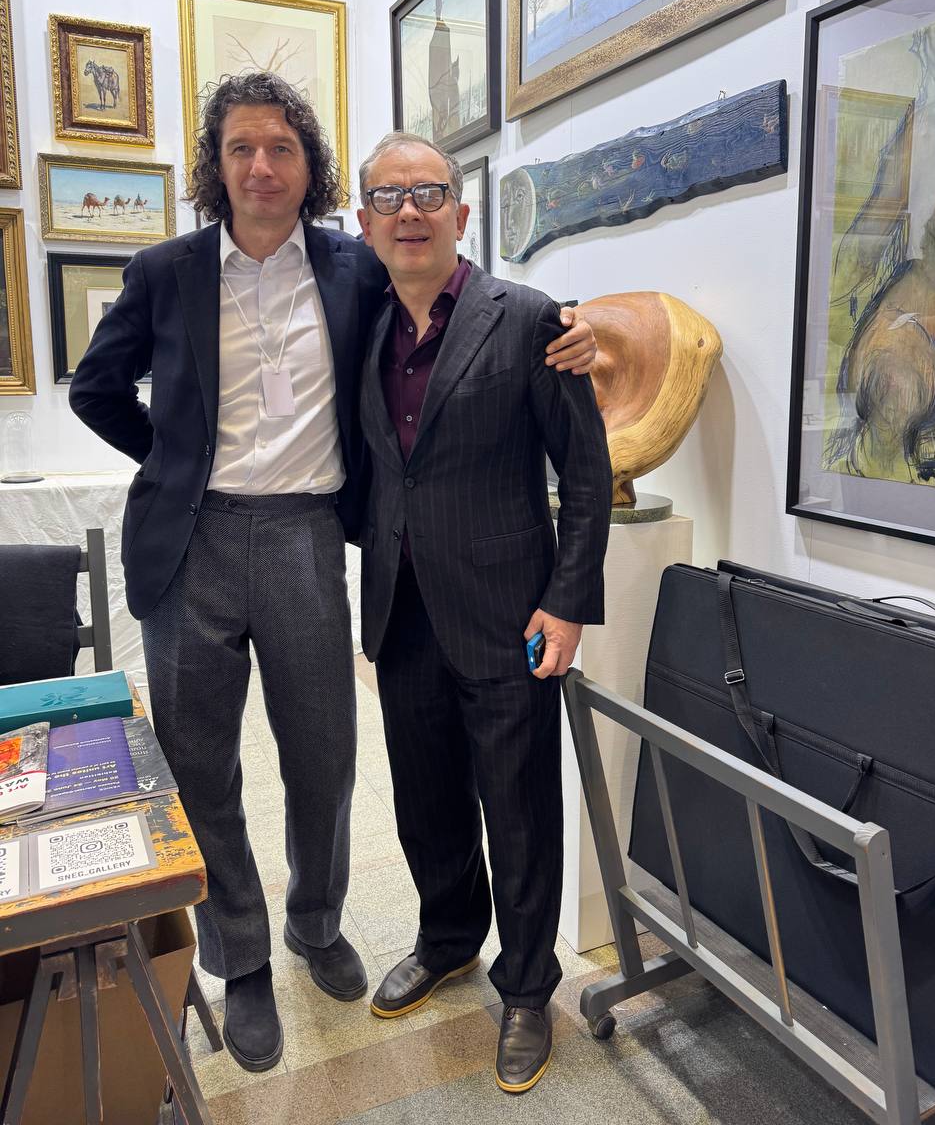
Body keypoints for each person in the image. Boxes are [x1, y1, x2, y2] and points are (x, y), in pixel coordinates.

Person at [68, 73, 597, 1073]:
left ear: (310, 169)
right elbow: (96, 389)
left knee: (324, 756)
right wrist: (174, 462)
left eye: (281, 147)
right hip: (192, 545)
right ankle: (242, 957)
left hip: (309, 535)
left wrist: (571, 328)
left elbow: (456, 296)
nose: (261, 165)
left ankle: (315, 921)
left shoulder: (352, 267)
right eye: (240, 147)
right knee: (203, 764)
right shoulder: (165, 271)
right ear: (215, 165)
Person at [355, 132, 612, 1093]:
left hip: (509, 612)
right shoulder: (362, 321)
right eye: (389, 197)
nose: (409, 212)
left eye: (428, 193)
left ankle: (528, 988)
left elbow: (586, 475)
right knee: (423, 798)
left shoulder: (532, 318)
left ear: (462, 214)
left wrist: (568, 603)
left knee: (519, 809)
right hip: (402, 607)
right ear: (365, 222)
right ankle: (449, 936)